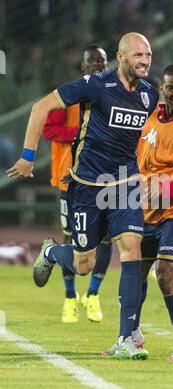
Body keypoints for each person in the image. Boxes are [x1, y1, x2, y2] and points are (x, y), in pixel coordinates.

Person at [7, 32, 159, 360]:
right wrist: (28, 156)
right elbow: (41, 107)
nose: (145, 61)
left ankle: (126, 338)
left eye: (148, 55)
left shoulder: (150, 93)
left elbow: (144, 138)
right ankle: (50, 253)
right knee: (83, 263)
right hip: (87, 187)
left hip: (124, 184)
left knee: (132, 249)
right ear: (121, 57)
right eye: (138, 56)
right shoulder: (96, 85)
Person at [105, 64, 173, 360]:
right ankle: (129, 336)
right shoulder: (150, 118)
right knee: (133, 273)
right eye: (170, 88)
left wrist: (166, 191)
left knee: (165, 275)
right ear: (162, 89)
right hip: (145, 209)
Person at [42, 44, 113, 324]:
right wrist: (83, 132)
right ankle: (70, 298)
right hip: (68, 177)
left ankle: (93, 294)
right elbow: (49, 128)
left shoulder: (113, 94)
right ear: (82, 67)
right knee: (72, 237)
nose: (96, 64)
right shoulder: (69, 94)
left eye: (101, 60)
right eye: (91, 60)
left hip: (107, 178)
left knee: (107, 238)